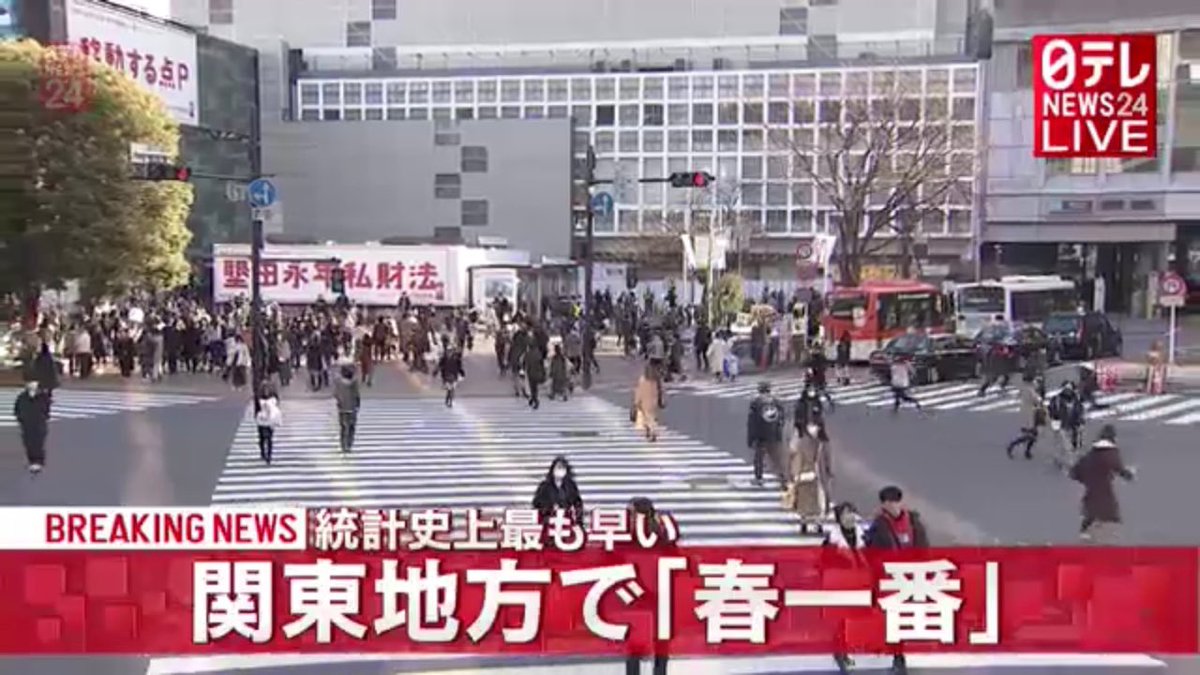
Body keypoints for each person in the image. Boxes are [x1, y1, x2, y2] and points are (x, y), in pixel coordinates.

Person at [865, 485, 929, 675]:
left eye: (895, 502)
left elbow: (923, 547)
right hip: (890, 580)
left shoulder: (914, 522)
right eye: (889, 503)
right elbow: (872, 555)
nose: (893, 506)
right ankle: (898, 658)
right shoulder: (879, 525)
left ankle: (898, 651)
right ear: (883, 505)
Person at [625, 496, 673, 675]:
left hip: (648, 590)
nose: (628, 516)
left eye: (631, 513)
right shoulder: (660, 531)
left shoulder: (654, 533)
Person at [1070, 424, 1135, 544]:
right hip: (1102, 487)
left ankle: (1087, 531)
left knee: (1093, 506)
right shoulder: (1108, 451)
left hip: (1092, 488)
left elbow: (1075, 472)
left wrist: (1083, 476)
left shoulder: (1092, 452)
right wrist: (1127, 474)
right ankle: (1104, 537)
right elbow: (1116, 465)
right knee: (1106, 509)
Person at [823, 502, 865, 675]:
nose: (849, 517)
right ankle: (840, 652)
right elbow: (823, 562)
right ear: (839, 519)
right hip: (839, 584)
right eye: (846, 514)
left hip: (860, 582)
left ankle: (844, 650)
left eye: (852, 513)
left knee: (853, 621)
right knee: (842, 620)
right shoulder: (832, 541)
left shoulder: (863, 535)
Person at [746, 381, 786, 486]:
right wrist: (778, 431)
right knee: (776, 458)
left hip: (760, 435)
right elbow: (782, 418)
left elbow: (752, 422)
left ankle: (759, 478)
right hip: (774, 434)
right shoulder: (776, 402)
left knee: (759, 457)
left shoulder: (755, 403)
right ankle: (782, 477)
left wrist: (751, 438)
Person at [1005, 373, 1046, 460]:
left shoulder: (1026, 389)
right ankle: (1015, 446)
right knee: (1031, 434)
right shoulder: (1029, 390)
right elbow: (1036, 401)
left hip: (1028, 413)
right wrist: (1040, 401)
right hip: (1030, 415)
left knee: (1032, 434)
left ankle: (1025, 450)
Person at [532, 456, 584, 524]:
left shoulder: (571, 486)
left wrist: (576, 520)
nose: (560, 471)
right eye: (558, 468)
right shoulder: (544, 486)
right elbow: (536, 504)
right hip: (548, 521)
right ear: (553, 469)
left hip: (566, 521)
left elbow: (578, 505)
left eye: (562, 468)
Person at [14, 379, 51, 474]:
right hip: (27, 424)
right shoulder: (22, 397)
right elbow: (17, 409)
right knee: (28, 442)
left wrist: (43, 417)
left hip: (39, 423)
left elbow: (46, 409)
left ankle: (38, 461)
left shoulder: (43, 397)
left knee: (38, 442)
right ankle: (32, 461)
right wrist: (21, 418)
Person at [1047, 380, 1086, 469]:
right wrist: (1054, 418)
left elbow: (1080, 410)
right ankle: (1064, 461)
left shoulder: (1076, 399)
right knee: (1064, 444)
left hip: (1073, 424)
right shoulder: (1056, 399)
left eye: (1069, 388)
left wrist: (1081, 421)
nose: (1068, 390)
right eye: (1066, 388)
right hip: (1061, 425)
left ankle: (1070, 460)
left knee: (1073, 443)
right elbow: (1051, 410)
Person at [333, 364, 361, 453]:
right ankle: (349, 444)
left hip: (342, 408)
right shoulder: (354, 383)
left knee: (343, 427)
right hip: (352, 408)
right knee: (352, 427)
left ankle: (343, 445)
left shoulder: (338, 383)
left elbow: (335, 394)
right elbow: (357, 394)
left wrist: (339, 402)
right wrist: (357, 404)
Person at [632, 364, 662, 442]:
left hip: (644, 401)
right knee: (650, 417)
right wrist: (660, 400)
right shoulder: (656, 379)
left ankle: (652, 432)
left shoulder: (642, 379)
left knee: (647, 418)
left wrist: (636, 401)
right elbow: (660, 390)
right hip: (653, 401)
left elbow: (639, 391)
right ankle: (649, 431)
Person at [254, 384, 282, 464]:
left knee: (269, 438)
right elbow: (257, 408)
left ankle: (269, 455)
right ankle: (263, 452)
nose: (266, 392)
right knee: (262, 437)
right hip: (262, 419)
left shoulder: (273, 399)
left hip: (269, 419)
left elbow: (275, 408)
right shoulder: (259, 398)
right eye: (264, 390)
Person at [436, 340, 465, 408]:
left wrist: (462, 373)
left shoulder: (456, 358)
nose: (450, 352)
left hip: (454, 375)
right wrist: (436, 371)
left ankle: (449, 401)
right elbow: (440, 365)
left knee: (452, 389)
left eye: (451, 351)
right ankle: (448, 400)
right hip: (447, 375)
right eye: (449, 351)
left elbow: (459, 367)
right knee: (449, 389)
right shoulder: (444, 358)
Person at [523, 343, 546, 409]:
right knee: (535, 388)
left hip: (530, 372)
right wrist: (543, 372)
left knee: (532, 387)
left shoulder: (527, 354)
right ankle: (533, 399)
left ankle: (535, 400)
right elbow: (541, 363)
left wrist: (524, 369)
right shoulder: (538, 354)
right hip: (537, 372)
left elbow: (524, 363)